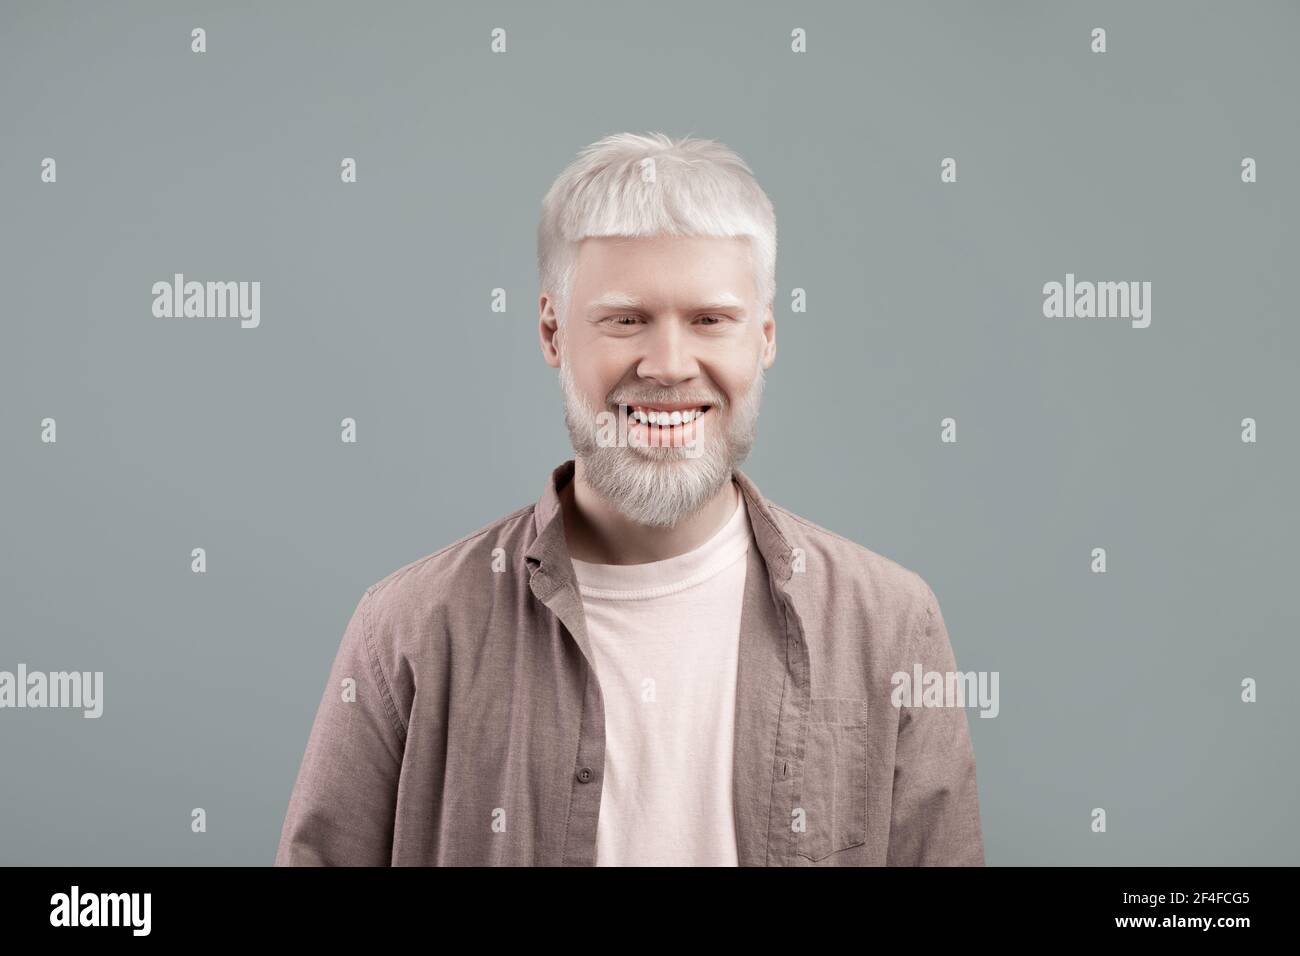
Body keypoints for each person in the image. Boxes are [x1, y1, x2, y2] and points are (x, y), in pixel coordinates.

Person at [275, 132, 984, 866]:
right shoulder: (406, 632)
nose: (670, 366)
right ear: (552, 331)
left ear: (764, 338)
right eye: (625, 319)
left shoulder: (894, 626)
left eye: (711, 320)